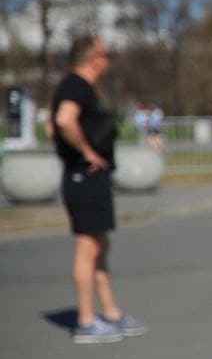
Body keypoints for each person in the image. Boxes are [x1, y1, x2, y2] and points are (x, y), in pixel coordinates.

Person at [50, 35, 147, 343]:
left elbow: (52, 126)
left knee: (100, 246)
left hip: (90, 178)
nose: (108, 60)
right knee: (87, 247)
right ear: (94, 59)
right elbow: (64, 121)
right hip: (83, 176)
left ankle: (111, 313)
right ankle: (86, 320)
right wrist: (87, 152)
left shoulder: (80, 87)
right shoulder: (76, 85)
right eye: (106, 54)